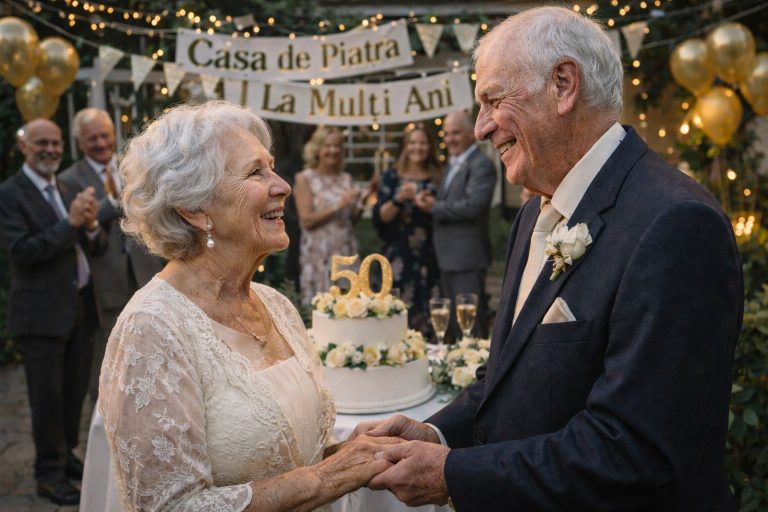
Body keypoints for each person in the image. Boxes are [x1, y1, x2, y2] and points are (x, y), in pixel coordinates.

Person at [353, 7, 742, 511]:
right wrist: (436, 434)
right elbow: (509, 378)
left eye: (493, 100)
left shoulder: (676, 223)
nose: (481, 127)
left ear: (563, 85)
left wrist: (453, 474)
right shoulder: (535, 213)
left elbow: (636, 453)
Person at [98, 101, 397, 512]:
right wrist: (328, 477)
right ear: (195, 210)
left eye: (271, 167)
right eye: (256, 172)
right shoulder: (151, 329)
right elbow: (169, 507)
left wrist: (349, 451)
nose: (283, 185)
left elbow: (292, 457)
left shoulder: (275, 305)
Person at [0, 119, 107, 505]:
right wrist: (71, 223)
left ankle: (65, 457)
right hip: (41, 315)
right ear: (24, 147)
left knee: (73, 393)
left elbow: (95, 246)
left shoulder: (64, 187)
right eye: (41, 143)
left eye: (56, 142)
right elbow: (22, 252)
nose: (50, 149)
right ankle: (48, 473)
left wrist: (90, 226)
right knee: (47, 399)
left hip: (78, 307)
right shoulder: (10, 194)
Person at [59, 108, 164, 404]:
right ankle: (107, 414)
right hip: (104, 280)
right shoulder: (69, 179)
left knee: (152, 344)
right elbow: (82, 227)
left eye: (105, 136)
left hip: (146, 269)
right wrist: (112, 200)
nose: (101, 143)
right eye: (92, 138)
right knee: (109, 357)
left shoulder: (133, 166)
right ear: (80, 142)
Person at [414, 111, 496, 339]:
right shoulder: (452, 163)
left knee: (470, 327)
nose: (450, 139)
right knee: (452, 326)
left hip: (466, 258)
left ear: (471, 133)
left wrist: (434, 207)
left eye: (456, 133)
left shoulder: (481, 165)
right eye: (447, 134)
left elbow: (473, 206)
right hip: (446, 258)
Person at [373, 125, 441, 334]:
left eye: (422, 143)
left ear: (430, 147)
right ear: (405, 146)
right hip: (399, 257)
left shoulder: (438, 176)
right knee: (396, 316)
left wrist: (431, 206)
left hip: (430, 256)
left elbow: (447, 212)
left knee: (430, 317)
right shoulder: (392, 176)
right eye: (412, 143)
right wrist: (398, 199)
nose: (417, 147)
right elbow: (380, 217)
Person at [294, 126, 360, 304]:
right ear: (317, 149)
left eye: (337, 146)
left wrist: (360, 204)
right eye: (328, 146)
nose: (333, 150)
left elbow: (350, 221)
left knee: (349, 307)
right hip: (319, 255)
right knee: (321, 308)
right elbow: (307, 220)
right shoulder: (305, 178)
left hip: (345, 252)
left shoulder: (346, 178)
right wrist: (339, 205)